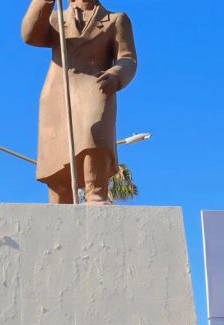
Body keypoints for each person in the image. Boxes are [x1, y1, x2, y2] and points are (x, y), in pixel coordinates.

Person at [21, 0, 137, 204]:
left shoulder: (117, 19)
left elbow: (127, 58)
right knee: (58, 149)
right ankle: (60, 198)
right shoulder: (56, 16)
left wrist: (116, 75)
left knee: (95, 131)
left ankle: (96, 192)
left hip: (97, 84)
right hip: (59, 90)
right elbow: (30, 35)